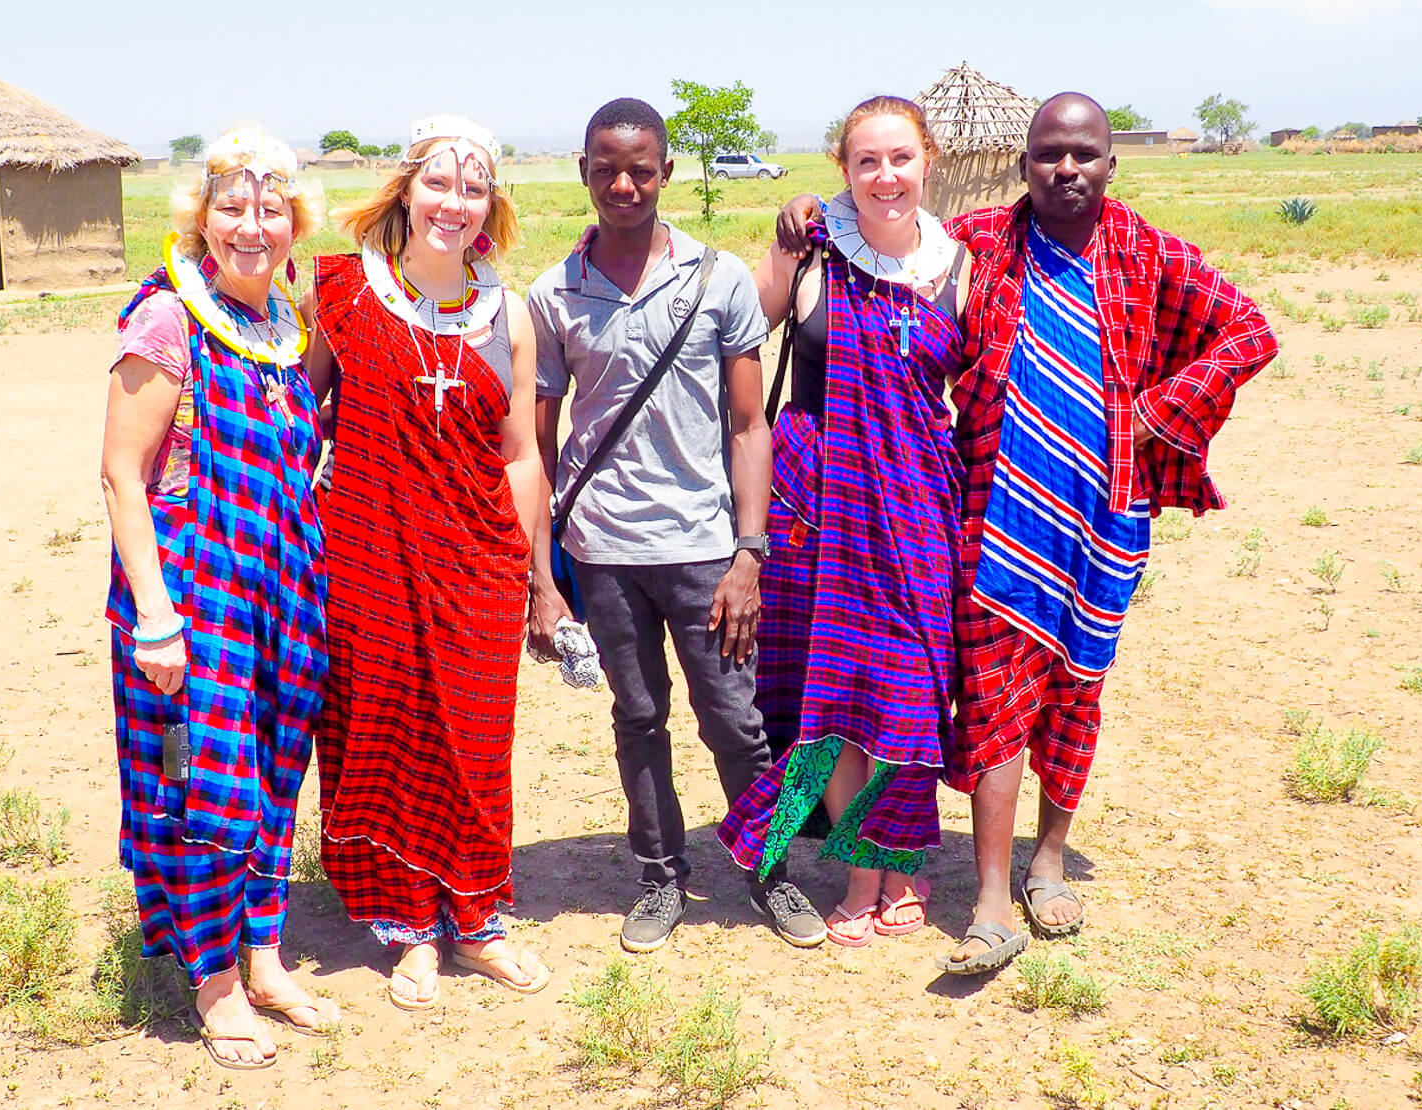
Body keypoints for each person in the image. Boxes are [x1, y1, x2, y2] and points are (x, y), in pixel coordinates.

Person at [774, 92, 1276, 971]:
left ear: (1111, 163)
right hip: (990, 516)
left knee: (1077, 694)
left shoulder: (1153, 256)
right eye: (1048, 154)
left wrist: (1157, 414)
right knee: (996, 698)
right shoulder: (982, 243)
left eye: (1083, 153)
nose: (1066, 169)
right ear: (1024, 164)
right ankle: (993, 895)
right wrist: (811, 215)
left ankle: (1050, 860)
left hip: (1103, 520)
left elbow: (1249, 331)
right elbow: (893, 225)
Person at [527, 98, 824, 952]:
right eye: (606, 167)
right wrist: (544, 578)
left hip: (704, 550)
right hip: (606, 550)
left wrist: (749, 551)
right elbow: (540, 449)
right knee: (638, 717)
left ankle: (771, 873)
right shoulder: (554, 296)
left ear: (664, 172)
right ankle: (660, 877)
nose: (624, 183)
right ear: (584, 171)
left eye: (641, 168)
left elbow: (747, 427)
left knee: (735, 720)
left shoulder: (717, 278)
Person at [101, 126, 336, 1070]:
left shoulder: (286, 324)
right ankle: (216, 983)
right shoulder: (168, 321)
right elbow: (122, 473)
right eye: (232, 207)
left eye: (270, 210)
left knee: (275, 782)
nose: (251, 225)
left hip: (283, 596)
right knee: (204, 791)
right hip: (196, 605)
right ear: (202, 218)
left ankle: (267, 957)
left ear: (292, 226)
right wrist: (155, 617)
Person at [304, 115, 549, 1008]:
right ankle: (409, 927)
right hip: (368, 558)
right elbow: (299, 422)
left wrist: (525, 575)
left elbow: (522, 453)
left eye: (473, 187)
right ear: (406, 189)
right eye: (438, 183)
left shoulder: (506, 314)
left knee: (479, 745)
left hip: (478, 565)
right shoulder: (341, 295)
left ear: (492, 204)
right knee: (384, 731)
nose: (454, 202)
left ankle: (477, 919)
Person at [717, 96, 971, 947]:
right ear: (844, 170)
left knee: (907, 694)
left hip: (916, 506)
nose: (885, 177)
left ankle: (901, 862)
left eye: (900, 158)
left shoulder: (963, 263)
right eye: (867, 162)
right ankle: (865, 872)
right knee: (831, 696)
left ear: (927, 160)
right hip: (815, 503)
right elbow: (733, 324)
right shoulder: (813, 248)